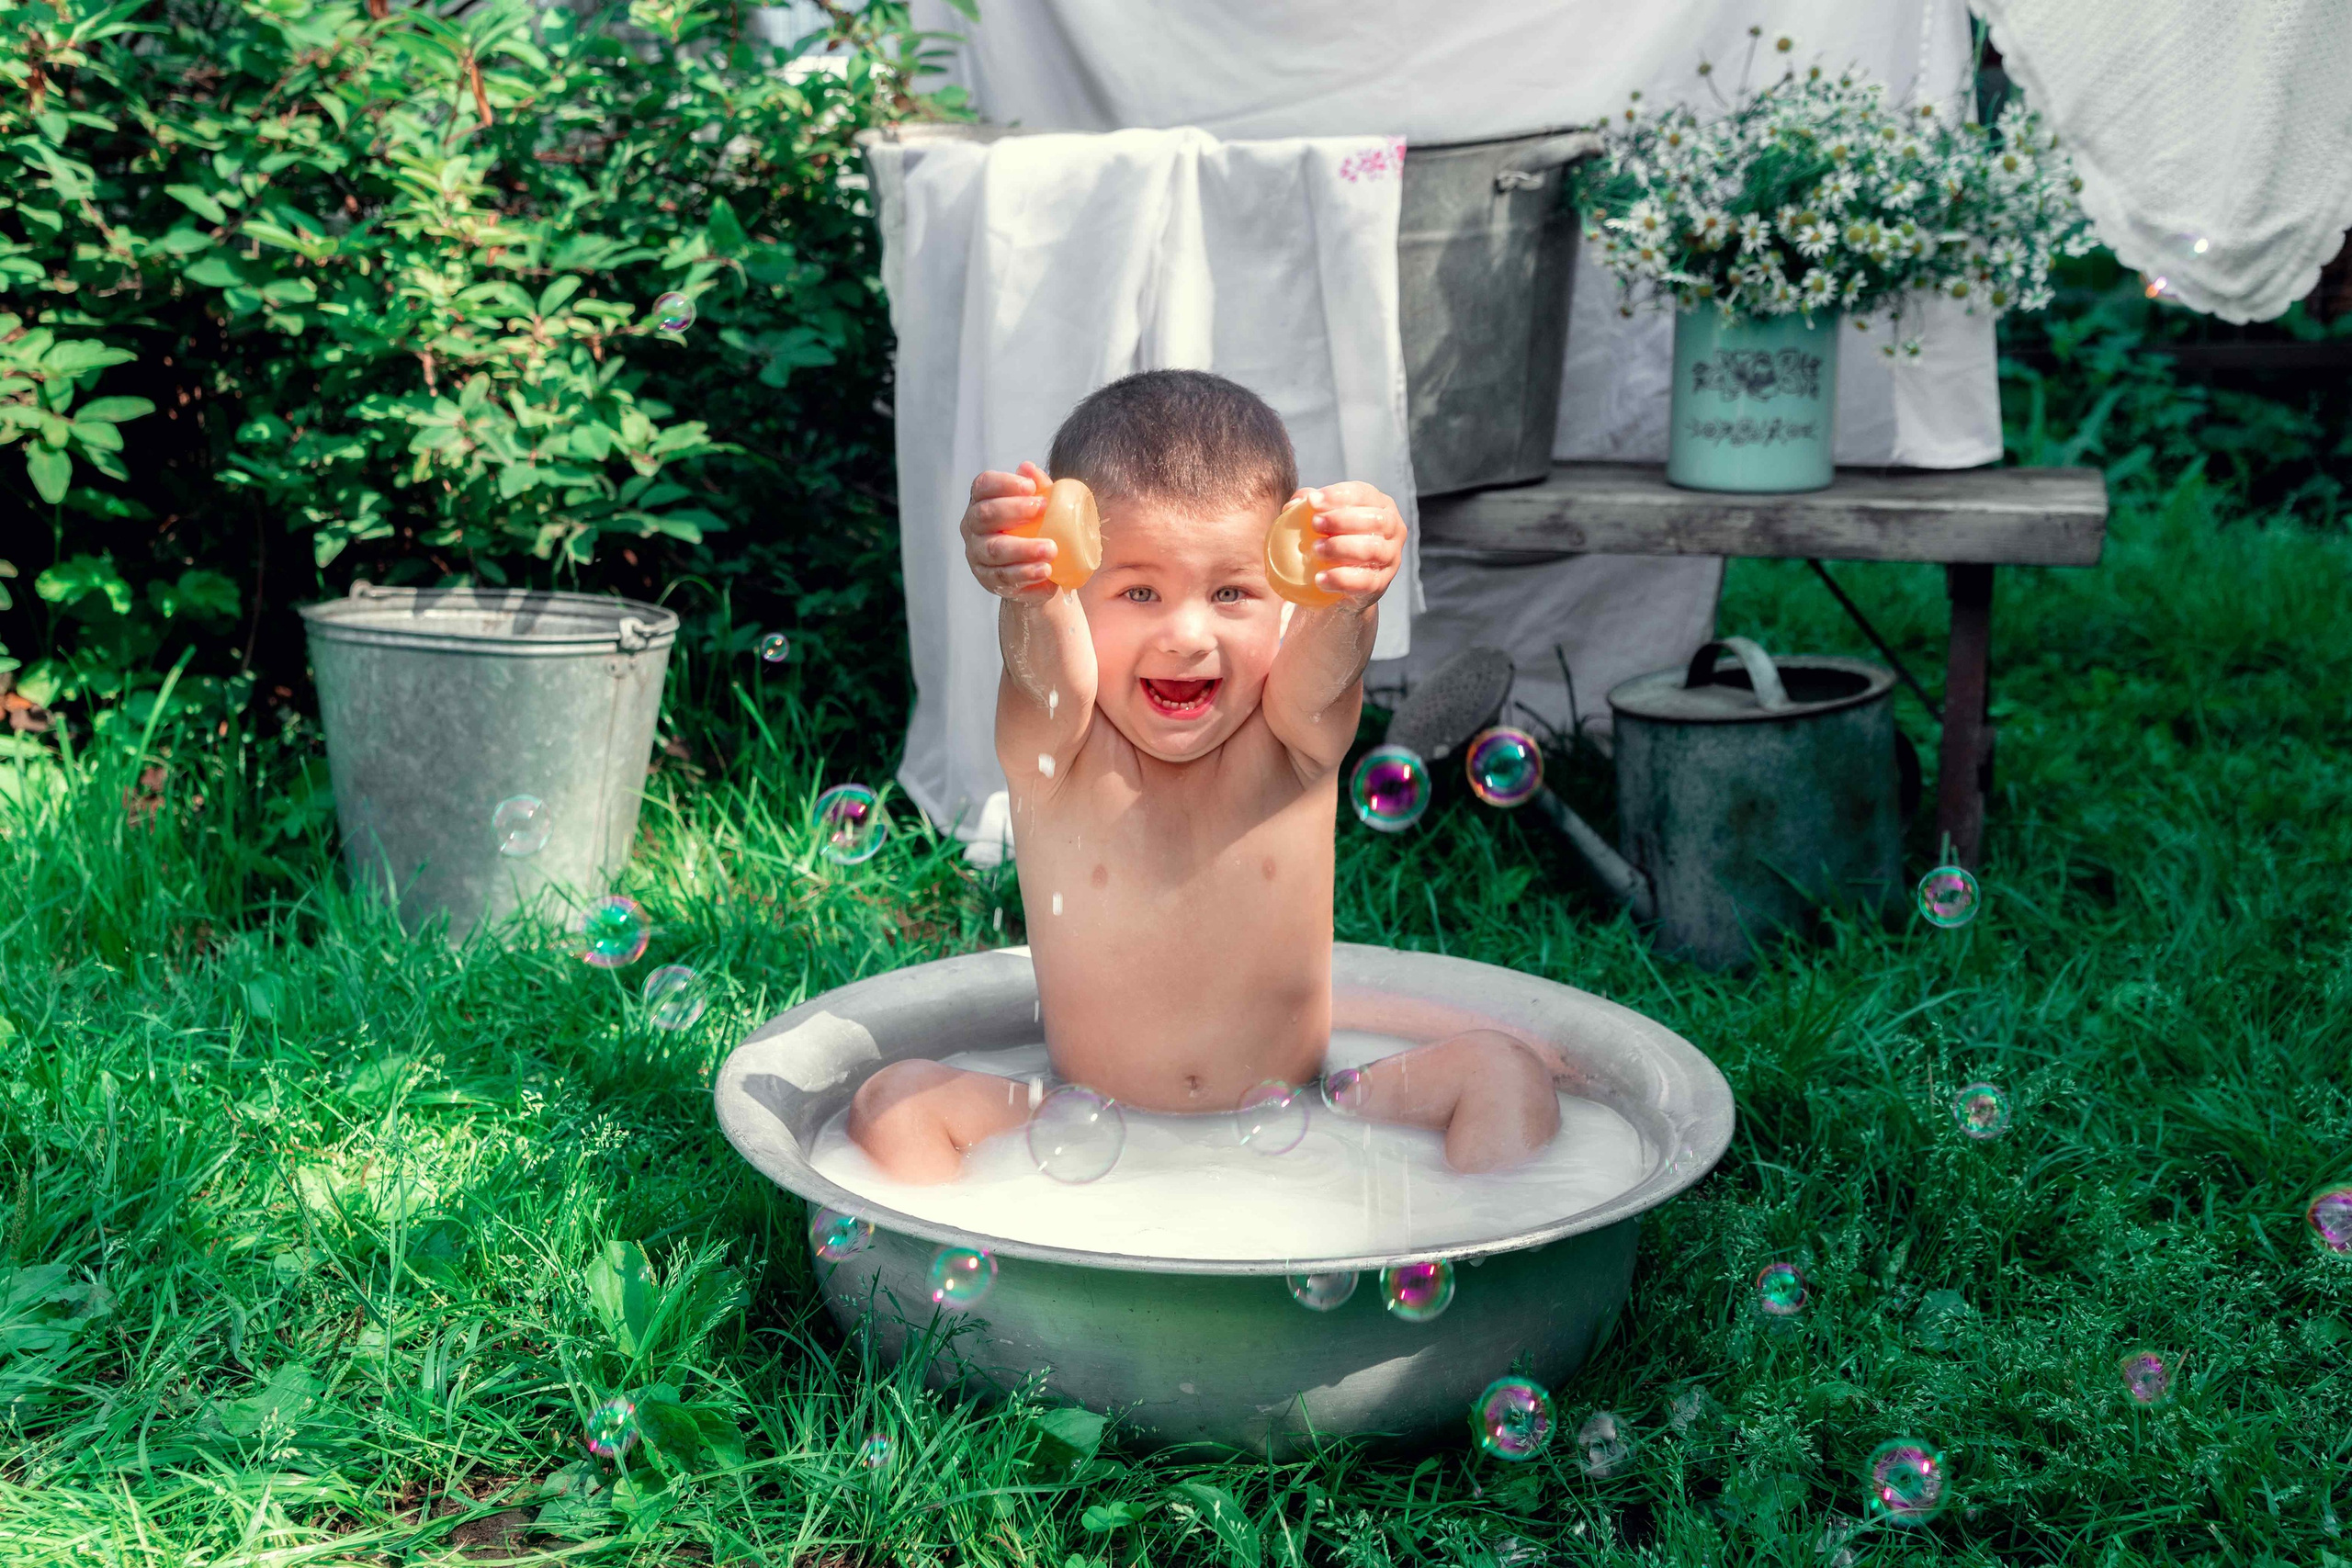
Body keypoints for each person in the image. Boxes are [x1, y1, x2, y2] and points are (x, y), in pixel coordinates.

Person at [848, 370, 1561, 1181]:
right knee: (890, 1102)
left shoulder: (1289, 735)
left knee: (1502, 1068)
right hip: (1080, 1121)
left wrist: (1350, 592)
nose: (1188, 634)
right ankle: (987, 1274)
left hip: (1306, 1113)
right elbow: (1046, 661)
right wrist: (1030, 585)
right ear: (1078, 582)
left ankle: (1491, 1242)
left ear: (1285, 593)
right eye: (1140, 590)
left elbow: (1328, 660)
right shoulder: (1063, 751)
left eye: (1231, 591)